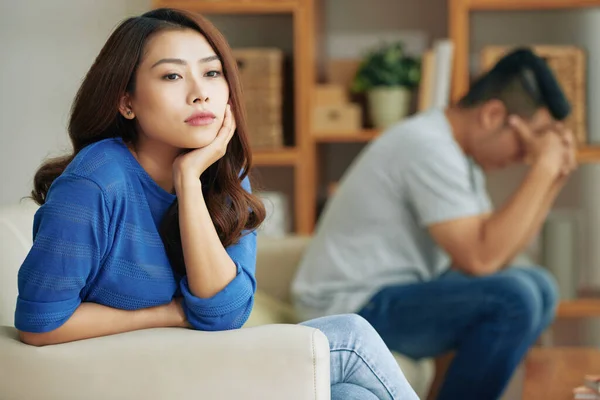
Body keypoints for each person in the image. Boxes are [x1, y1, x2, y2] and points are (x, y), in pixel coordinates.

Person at [13, 8, 418, 400]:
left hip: (198, 367)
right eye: (172, 75)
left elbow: (223, 313)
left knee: (350, 394)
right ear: (126, 102)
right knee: (349, 339)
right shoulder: (94, 182)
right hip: (140, 379)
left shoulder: (222, 174)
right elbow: (41, 325)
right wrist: (169, 314)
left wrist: (188, 180)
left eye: (211, 73)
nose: (199, 93)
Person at [292, 48, 577, 400]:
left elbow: (497, 254)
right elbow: (480, 259)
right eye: (526, 142)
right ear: (492, 115)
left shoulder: (459, 155)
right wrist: (543, 169)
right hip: (349, 306)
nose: (527, 155)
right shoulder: (427, 145)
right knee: (515, 298)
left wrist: (553, 177)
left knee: (539, 285)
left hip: (395, 293)